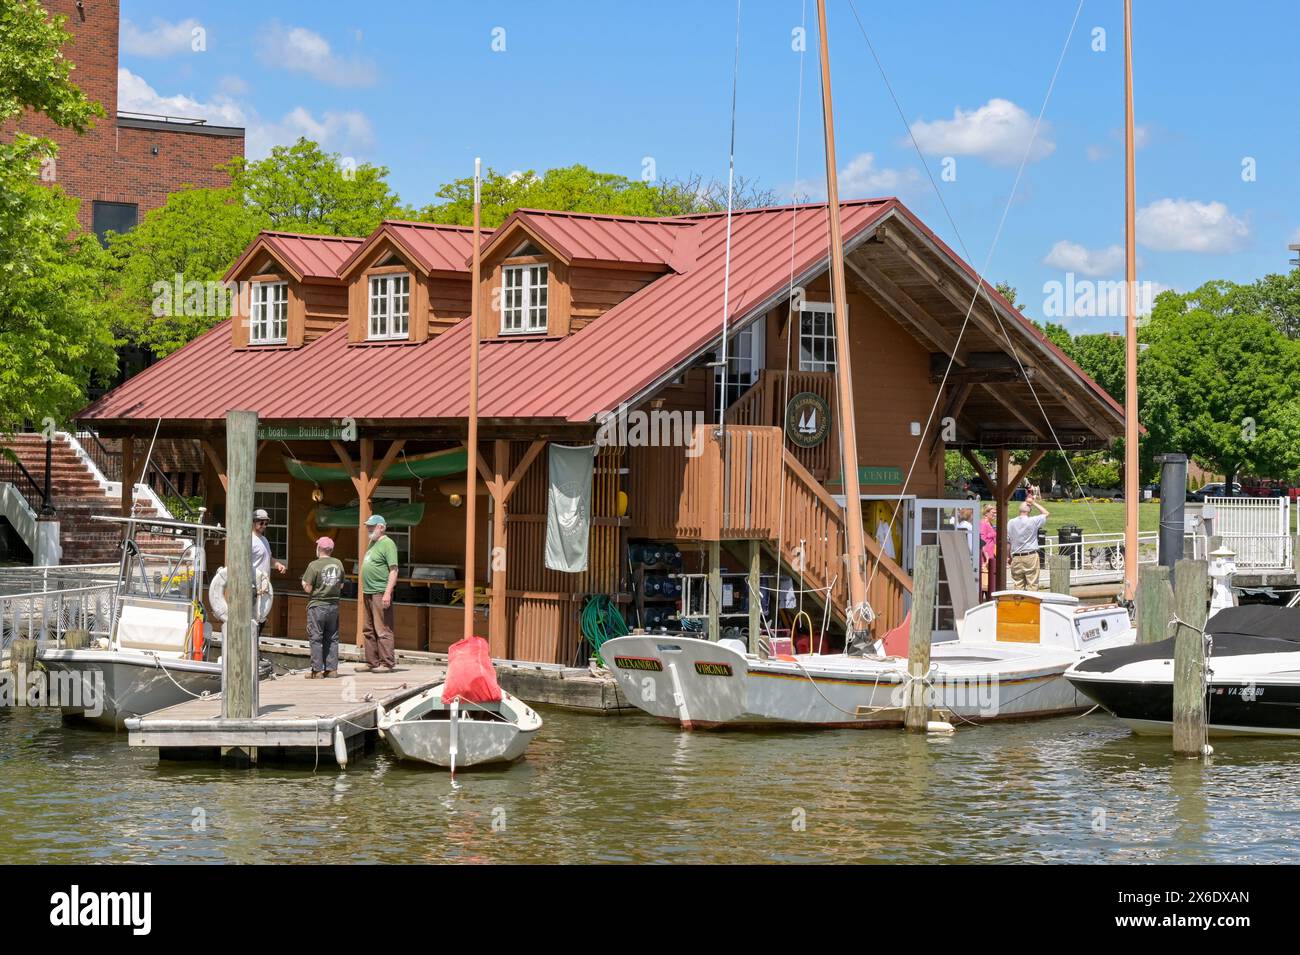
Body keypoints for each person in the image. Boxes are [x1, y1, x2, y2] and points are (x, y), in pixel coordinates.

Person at [358, 513, 399, 672]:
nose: (369, 529)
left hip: (380, 591)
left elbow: (393, 570)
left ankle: (387, 663)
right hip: (368, 591)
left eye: (371, 526)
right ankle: (372, 662)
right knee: (368, 628)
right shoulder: (372, 543)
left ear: (381, 527)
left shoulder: (388, 544)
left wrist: (388, 592)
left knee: (383, 629)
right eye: (368, 526)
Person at [301, 536, 343, 679]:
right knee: (332, 637)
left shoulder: (314, 565)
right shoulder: (338, 564)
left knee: (316, 638)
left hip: (317, 605)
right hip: (334, 606)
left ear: (319, 548)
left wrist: (303, 583)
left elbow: (308, 588)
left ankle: (317, 671)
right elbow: (341, 585)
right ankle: (332, 670)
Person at [1006, 491, 1050, 590]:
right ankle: (1031, 605)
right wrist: (1033, 503)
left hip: (1016, 556)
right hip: (1030, 555)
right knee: (1032, 584)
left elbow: (1008, 541)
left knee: (1018, 585)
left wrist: (1008, 556)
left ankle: (1018, 604)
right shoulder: (1033, 521)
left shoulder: (1011, 522)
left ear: (1019, 510)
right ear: (1029, 510)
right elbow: (1046, 513)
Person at [251, 508, 287, 578]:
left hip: (265, 583)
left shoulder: (264, 540)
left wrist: (278, 564)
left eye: (266, 523)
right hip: (253, 585)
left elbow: (269, 559)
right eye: (261, 523)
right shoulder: (249, 541)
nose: (264, 526)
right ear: (253, 522)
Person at [979, 504, 997, 598]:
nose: (995, 515)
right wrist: (986, 558)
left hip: (991, 558)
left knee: (991, 585)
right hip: (985, 559)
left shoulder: (990, 524)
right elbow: (982, 542)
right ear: (986, 513)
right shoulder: (983, 524)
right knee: (984, 585)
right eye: (993, 513)